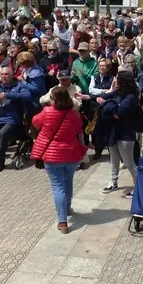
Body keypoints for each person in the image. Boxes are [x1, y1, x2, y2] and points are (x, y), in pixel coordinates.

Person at [32, 85, 88, 234]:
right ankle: (67, 207)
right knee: (68, 182)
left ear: (54, 99)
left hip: (52, 155)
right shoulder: (74, 114)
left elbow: (34, 122)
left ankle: (62, 221)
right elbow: (78, 130)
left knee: (58, 186)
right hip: (71, 154)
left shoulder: (46, 112)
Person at [100, 71, 142, 197]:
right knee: (114, 159)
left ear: (123, 82)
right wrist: (85, 96)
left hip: (126, 134)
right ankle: (113, 182)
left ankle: (139, 186)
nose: (114, 81)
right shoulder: (118, 92)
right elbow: (105, 97)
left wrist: (106, 107)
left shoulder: (131, 97)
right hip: (113, 132)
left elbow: (118, 113)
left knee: (129, 163)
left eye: (117, 79)